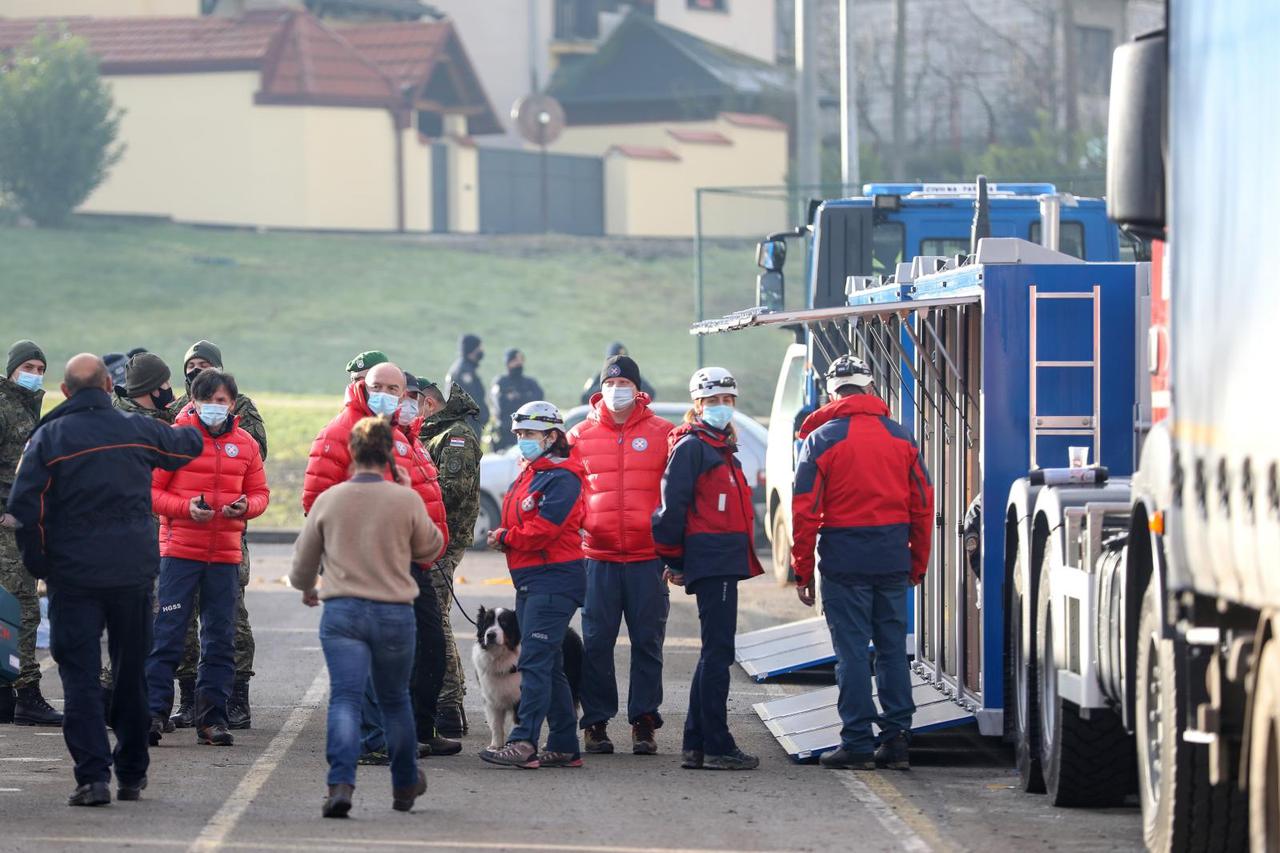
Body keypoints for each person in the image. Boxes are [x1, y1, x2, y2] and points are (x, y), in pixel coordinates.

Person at [7, 354, 202, 806]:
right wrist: (190, 416)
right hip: (132, 574)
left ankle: (92, 778)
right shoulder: (135, 429)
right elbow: (185, 446)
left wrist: (40, 563)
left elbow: (24, 508)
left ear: (65, 391)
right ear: (107, 387)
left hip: (72, 576)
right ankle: (132, 774)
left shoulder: (50, 436)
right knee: (131, 674)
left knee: (79, 679)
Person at [291, 417, 441, 817]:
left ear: (352, 453)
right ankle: (405, 782)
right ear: (389, 454)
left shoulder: (331, 498)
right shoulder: (404, 499)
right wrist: (409, 496)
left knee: (345, 698)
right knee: (395, 700)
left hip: (343, 611)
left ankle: (341, 782)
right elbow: (430, 548)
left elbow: (302, 562)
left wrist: (308, 587)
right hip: (394, 612)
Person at [302, 362, 453, 756]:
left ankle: (414, 733)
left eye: (395, 389)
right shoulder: (342, 432)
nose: (387, 394)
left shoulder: (401, 434)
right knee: (370, 656)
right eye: (379, 386)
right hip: (364, 564)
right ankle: (373, 743)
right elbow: (316, 502)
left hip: (409, 559)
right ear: (363, 387)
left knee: (428, 646)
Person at [791, 355, 933, 771]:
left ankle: (855, 743)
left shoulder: (821, 440)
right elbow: (923, 506)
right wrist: (917, 562)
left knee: (851, 653)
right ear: (870, 389)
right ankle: (896, 741)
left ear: (832, 393)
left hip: (843, 559)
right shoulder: (900, 437)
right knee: (891, 652)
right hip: (891, 558)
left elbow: (804, 511)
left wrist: (803, 571)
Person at [145, 369, 270, 748]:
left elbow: (261, 493)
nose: (216, 407)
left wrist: (247, 506)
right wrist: (185, 508)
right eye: (208, 400)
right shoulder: (174, 441)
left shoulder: (245, 444)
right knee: (168, 636)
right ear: (193, 402)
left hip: (225, 556)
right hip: (180, 553)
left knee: (219, 640)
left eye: (222, 401)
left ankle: (212, 720)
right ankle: (152, 714)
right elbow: (150, 492)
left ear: (232, 404)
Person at [652, 367, 763, 771]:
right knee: (718, 654)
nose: (721, 407)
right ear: (697, 405)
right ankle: (716, 744)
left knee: (714, 653)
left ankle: (697, 744)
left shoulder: (719, 446)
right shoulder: (693, 447)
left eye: (727, 400)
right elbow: (670, 511)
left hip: (721, 559)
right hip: (712, 559)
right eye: (713, 401)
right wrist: (675, 561)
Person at [568, 354, 673, 755]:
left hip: (649, 560)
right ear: (600, 389)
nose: (617, 391)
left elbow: (676, 495)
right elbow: (571, 493)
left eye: (624, 384)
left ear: (637, 388)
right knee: (596, 643)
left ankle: (644, 721)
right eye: (610, 385)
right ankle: (595, 722)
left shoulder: (663, 433)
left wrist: (675, 552)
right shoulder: (579, 435)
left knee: (648, 643)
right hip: (598, 557)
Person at [481, 401, 586, 769]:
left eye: (529, 434)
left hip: (554, 580)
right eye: (520, 434)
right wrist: (505, 536)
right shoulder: (532, 472)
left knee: (537, 662)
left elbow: (546, 529)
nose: (523, 441)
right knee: (551, 663)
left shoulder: (562, 477)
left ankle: (523, 741)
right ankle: (563, 744)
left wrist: (508, 536)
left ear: (553, 436)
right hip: (532, 580)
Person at [171, 340, 267, 731]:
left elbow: (256, 455)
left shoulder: (240, 408)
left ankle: (235, 696)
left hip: (226, 532)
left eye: (204, 363)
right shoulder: (180, 410)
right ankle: (189, 696)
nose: (196, 369)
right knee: (179, 617)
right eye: (191, 365)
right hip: (185, 533)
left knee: (229, 620)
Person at [0, 340, 63, 726]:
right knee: (21, 608)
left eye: (41, 368)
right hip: (8, 527)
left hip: (24, 522)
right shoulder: (6, 408)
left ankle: (8, 694)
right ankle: (26, 692)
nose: (35, 374)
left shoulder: (27, 407)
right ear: (12, 369)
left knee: (15, 610)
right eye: (29, 367)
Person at [415, 378, 482, 737]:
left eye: (413, 399)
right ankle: (448, 703)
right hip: (427, 537)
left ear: (429, 402)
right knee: (432, 618)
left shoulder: (454, 436)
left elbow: (450, 491)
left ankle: (449, 704)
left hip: (443, 540)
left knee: (436, 620)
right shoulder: (427, 433)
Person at [486, 349, 544, 451]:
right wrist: (525, 398)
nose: (519, 363)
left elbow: (539, 401)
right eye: (515, 360)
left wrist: (516, 398)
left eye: (521, 359)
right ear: (508, 362)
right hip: (506, 434)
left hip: (528, 432)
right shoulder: (501, 382)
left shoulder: (530, 383)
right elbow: (501, 405)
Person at [113, 352, 181, 423]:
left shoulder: (158, 414)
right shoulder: (136, 425)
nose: (169, 386)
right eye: (165, 382)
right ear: (150, 387)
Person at [580, 342, 656, 405]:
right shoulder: (600, 377)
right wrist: (606, 388)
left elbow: (650, 393)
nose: (619, 368)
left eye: (623, 361)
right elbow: (585, 398)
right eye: (614, 362)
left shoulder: (633, 375)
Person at [444, 334, 488, 435]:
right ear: (472, 349)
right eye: (479, 347)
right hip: (465, 426)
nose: (482, 350)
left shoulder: (466, 369)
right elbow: (469, 399)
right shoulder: (462, 371)